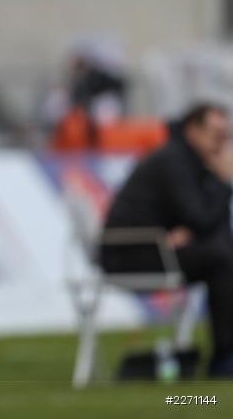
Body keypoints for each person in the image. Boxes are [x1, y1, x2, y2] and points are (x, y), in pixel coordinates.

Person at [100, 102, 233, 376]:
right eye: (217, 134)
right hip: (130, 253)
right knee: (221, 259)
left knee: (222, 252)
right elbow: (200, 218)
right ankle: (224, 358)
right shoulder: (174, 161)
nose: (222, 143)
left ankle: (225, 353)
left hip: (153, 246)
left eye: (227, 136)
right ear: (193, 131)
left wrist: (188, 228)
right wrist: (224, 182)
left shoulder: (186, 160)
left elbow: (202, 222)